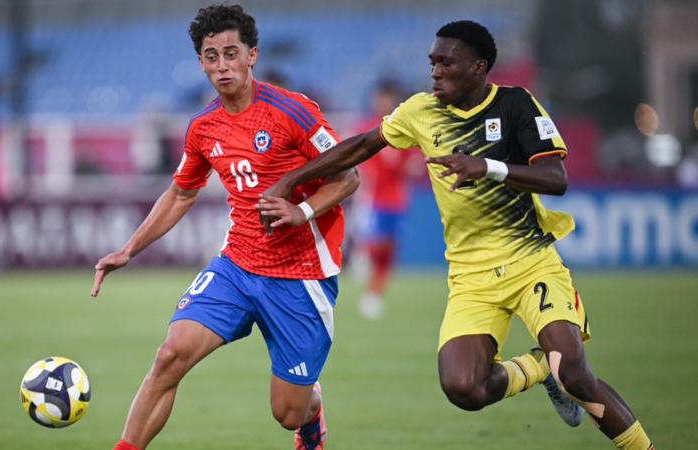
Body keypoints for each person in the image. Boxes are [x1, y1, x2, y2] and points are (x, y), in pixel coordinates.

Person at [260, 20, 654, 450]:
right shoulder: (420, 112)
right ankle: (541, 369)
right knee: (463, 388)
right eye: (432, 62)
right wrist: (289, 181)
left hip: (530, 262)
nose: (435, 71)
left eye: (446, 63)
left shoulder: (516, 105)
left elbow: (555, 177)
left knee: (577, 376)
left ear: (478, 67)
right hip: (471, 277)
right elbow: (359, 146)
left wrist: (488, 167)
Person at [91, 5, 358, 450]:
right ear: (201, 62)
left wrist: (303, 212)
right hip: (237, 265)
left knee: (287, 412)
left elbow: (348, 176)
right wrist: (129, 249)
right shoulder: (203, 127)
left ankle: (311, 415)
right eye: (211, 56)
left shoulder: (293, 111)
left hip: (301, 275)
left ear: (252, 55)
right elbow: (180, 194)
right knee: (169, 356)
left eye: (231, 54)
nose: (222, 66)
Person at [351, 79, 423, 319]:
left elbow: (414, 164)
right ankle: (362, 261)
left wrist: (412, 166)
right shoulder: (368, 127)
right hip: (372, 200)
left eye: (388, 98)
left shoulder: (402, 129)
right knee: (376, 244)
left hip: (397, 200)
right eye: (380, 97)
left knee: (389, 250)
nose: (383, 102)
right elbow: (355, 158)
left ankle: (375, 293)